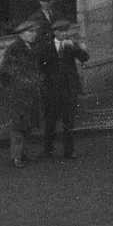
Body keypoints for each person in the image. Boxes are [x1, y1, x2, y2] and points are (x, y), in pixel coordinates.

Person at [0, 20, 47, 168]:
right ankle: (16, 156)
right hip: (18, 93)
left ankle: (23, 153)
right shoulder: (15, 49)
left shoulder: (32, 47)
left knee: (28, 124)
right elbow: (5, 71)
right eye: (30, 32)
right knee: (18, 126)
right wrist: (17, 84)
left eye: (35, 32)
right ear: (22, 34)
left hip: (31, 93)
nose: (34, 34)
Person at [38, 22, 90, 160]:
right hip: (52, 90)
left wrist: (78, 47)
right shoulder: (46, 47)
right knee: (51, 121)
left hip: (68, 89)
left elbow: (84, 58)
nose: (64, 34)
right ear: (55, 32)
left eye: (65, 31)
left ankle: (69, 151)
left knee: (69, 122)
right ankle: (48, 150)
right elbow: (40, 65)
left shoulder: (70, 45)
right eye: (61, 31)